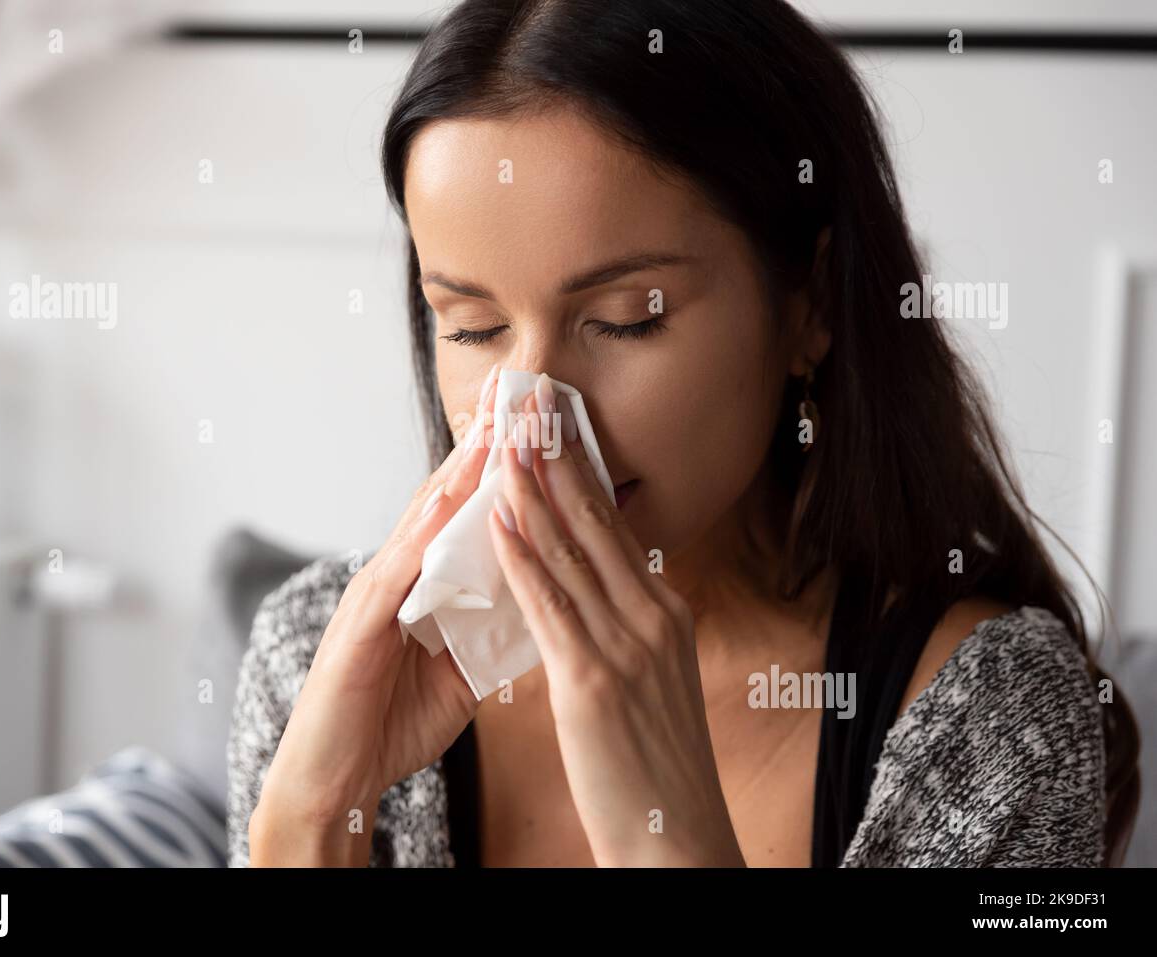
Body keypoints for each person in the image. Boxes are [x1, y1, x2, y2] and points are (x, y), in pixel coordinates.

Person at [227, 0, 1140, 867]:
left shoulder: (994, 718)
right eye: (471, 325)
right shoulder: (315, 658)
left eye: (628, 318)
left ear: (808, 304)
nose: (535, 419)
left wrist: (671, 840)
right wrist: (310, 814)